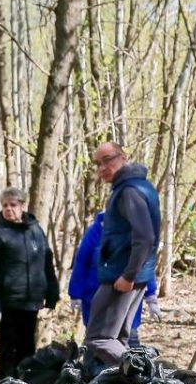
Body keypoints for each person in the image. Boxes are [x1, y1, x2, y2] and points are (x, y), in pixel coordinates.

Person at [84, 142, 160, 369]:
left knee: (99, 338)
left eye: (108, 160)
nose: (102, 168)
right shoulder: (140, 186)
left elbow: (145, 237)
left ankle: (148, 376)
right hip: (133, 274)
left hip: (122, 276)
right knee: (118, 339)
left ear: (123, 157)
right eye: (98, 163)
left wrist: (129, 275)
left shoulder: (129, 191)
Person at [0, 187, 59, 379]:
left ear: (23, 206)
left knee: (27, 349)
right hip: (8, 304)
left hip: (31, 302)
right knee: (7, 351)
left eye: (13, 205)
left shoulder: (36, 230)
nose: (8, 209)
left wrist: (52, 294)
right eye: (5, 205)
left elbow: (47, 263)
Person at [67, 211, 161, 346]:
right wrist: (75, 294)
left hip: (127, 306)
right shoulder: (95, 232)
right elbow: (81, 263)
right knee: (97, 347)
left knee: (128, 347)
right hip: (96, 302)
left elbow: (144, 265)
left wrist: (151, 298)